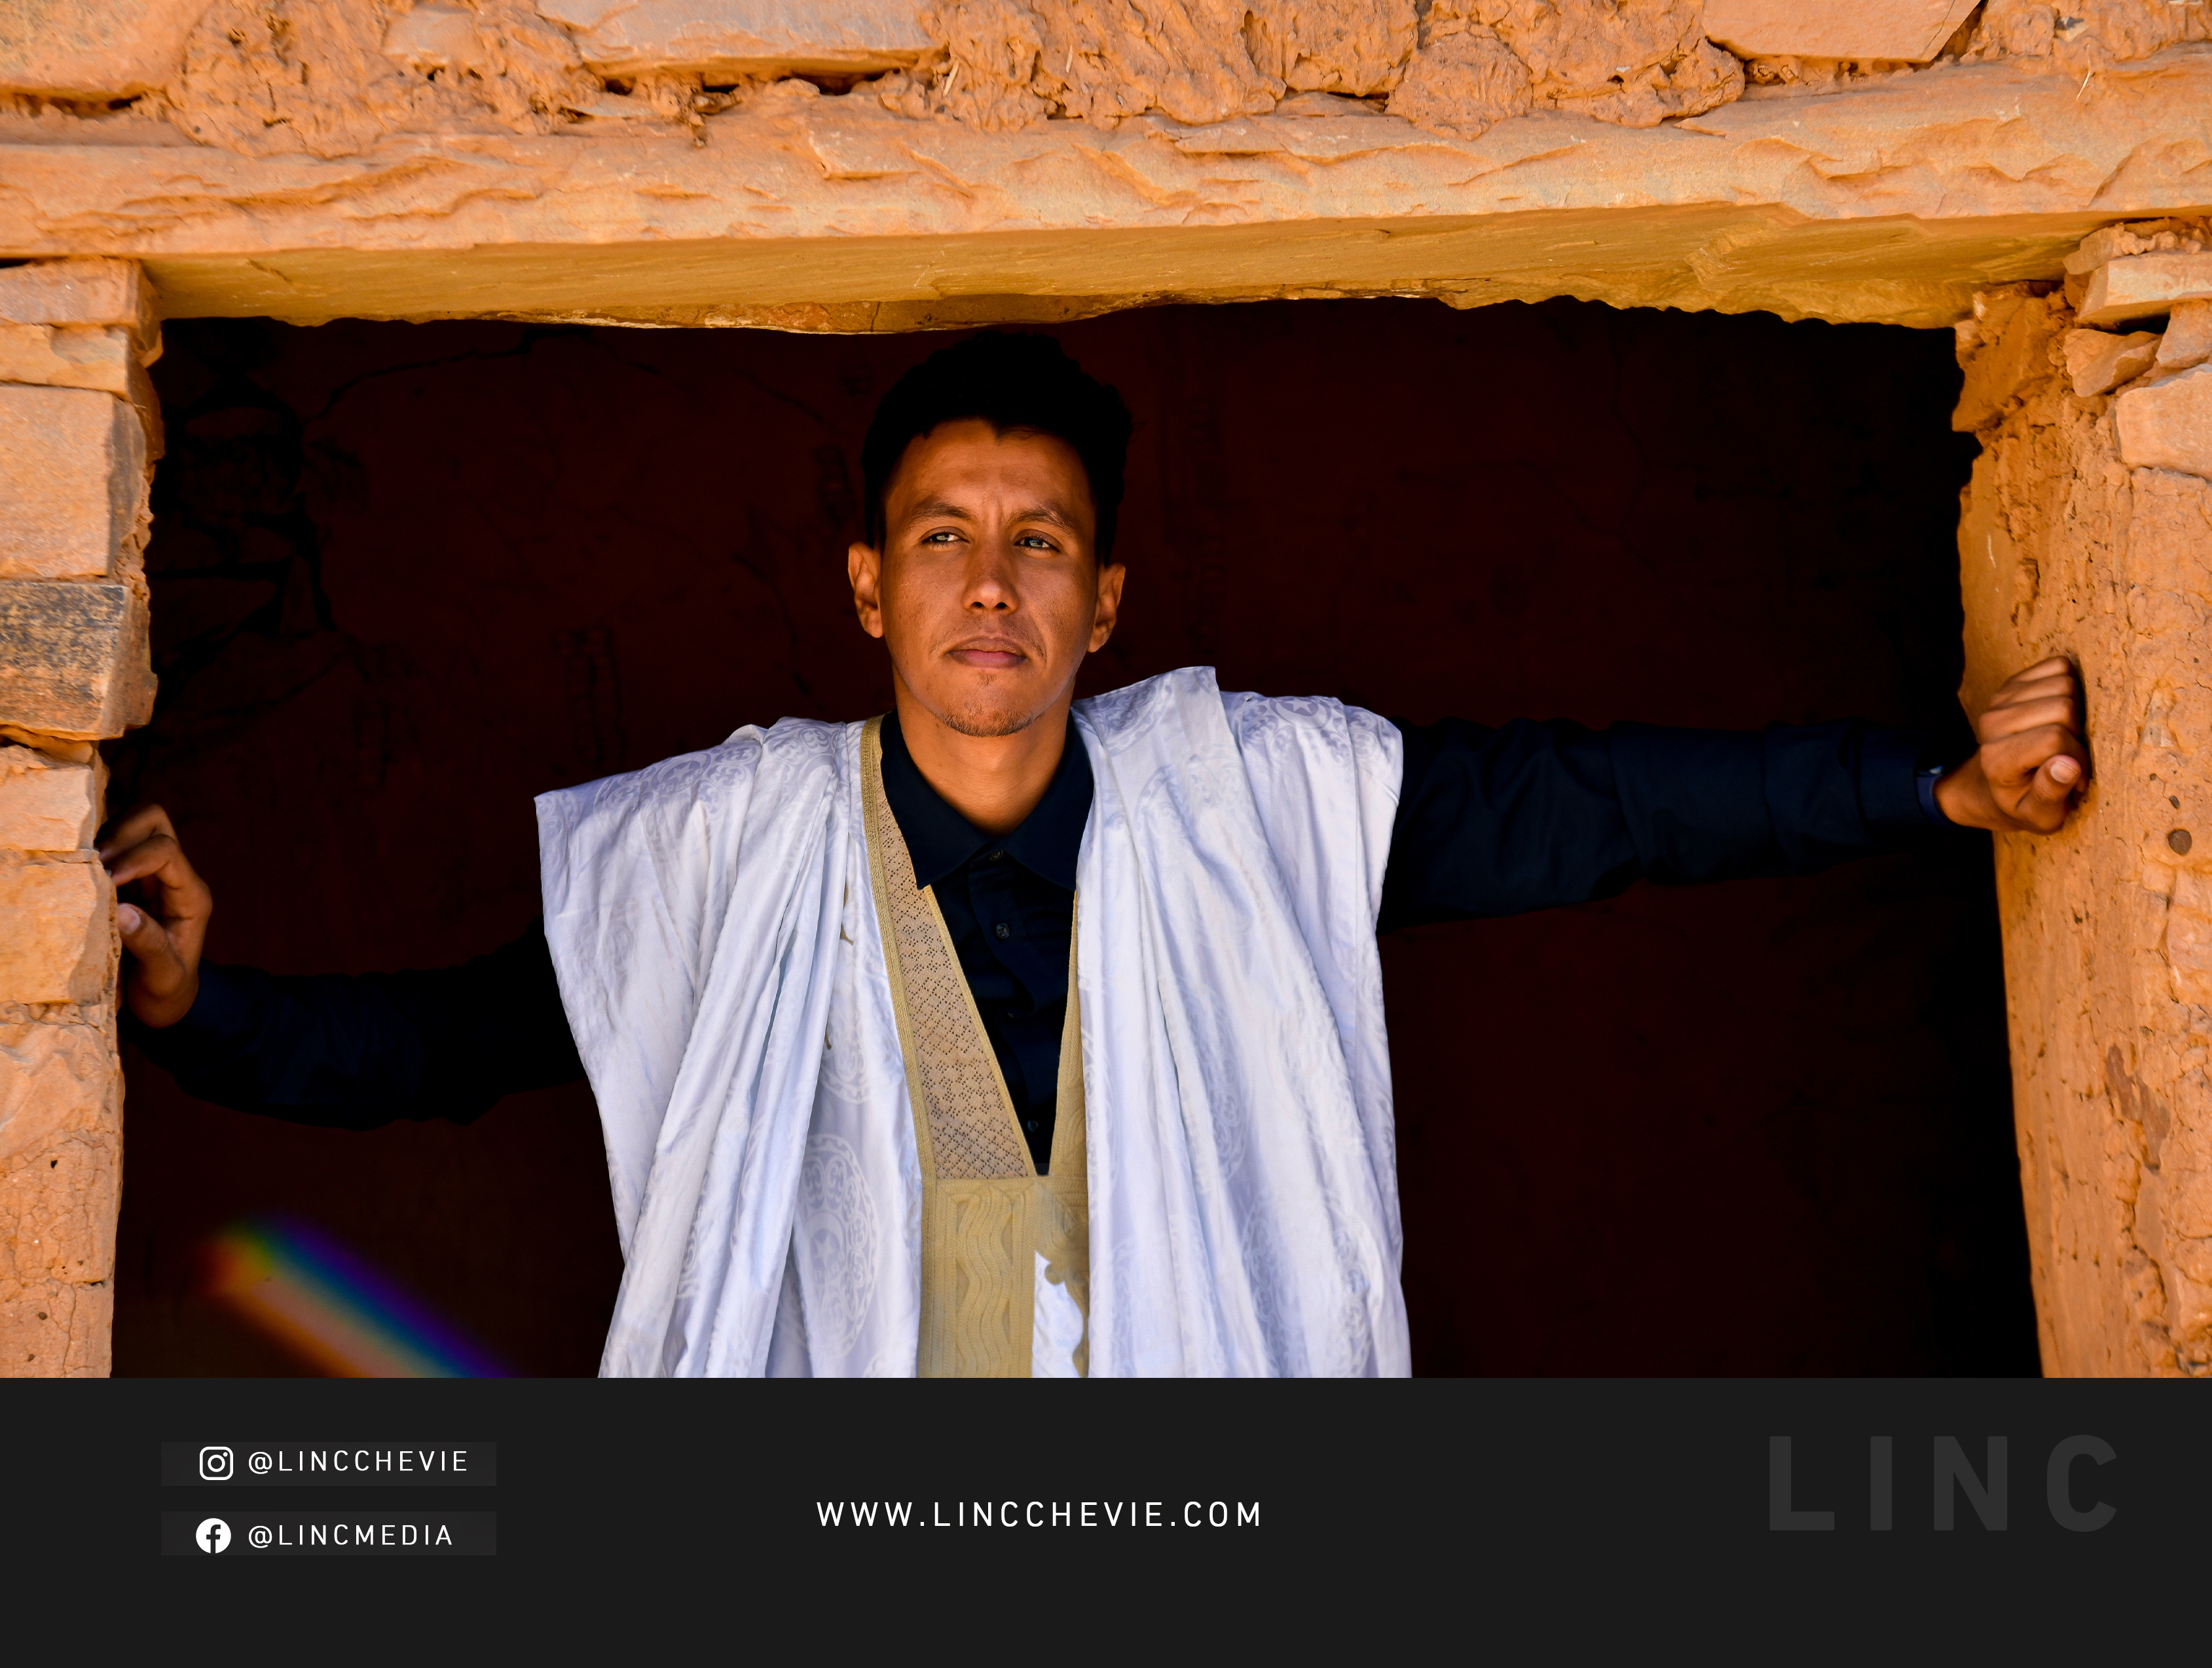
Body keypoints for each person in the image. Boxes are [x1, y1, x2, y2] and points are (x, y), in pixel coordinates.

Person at [105, 331, 2088, 1379]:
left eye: (1038, 540)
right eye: (943, 538)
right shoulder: (732, 857)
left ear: (1106, 599)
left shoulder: (1247, 811)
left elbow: (1592, 809)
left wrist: (1928, 786)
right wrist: (202, 1004)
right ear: (867, 586)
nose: (991, 582)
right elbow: (459, 1038)